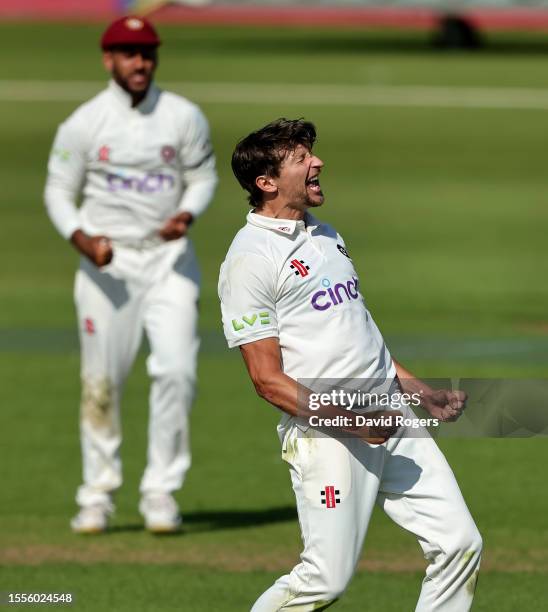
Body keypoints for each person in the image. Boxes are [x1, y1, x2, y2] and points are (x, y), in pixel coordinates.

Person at [218, 118, 482, 610]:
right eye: (301, 158)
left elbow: (357, 333)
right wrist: (354, 423)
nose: (317, 163)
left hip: (390, 416)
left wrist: (420, 391)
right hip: (332, 433)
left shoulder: (325, 235)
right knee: (324, 580)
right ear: (266, 182)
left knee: (460, 545)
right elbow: (266, 380)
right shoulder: (250, 259)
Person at [44, 15, 217, 534]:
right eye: (127, 53)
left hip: (169, 263)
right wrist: (81, 238)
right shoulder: (84, 122)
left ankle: (161, 491)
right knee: (102, 382)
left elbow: (202, 177)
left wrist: (186, 213)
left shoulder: (183, 115)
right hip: (107, 267)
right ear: (108, 59)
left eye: (146, 53)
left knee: (177, 373)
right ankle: (97, 493)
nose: (139, 62)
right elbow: (57, 191)